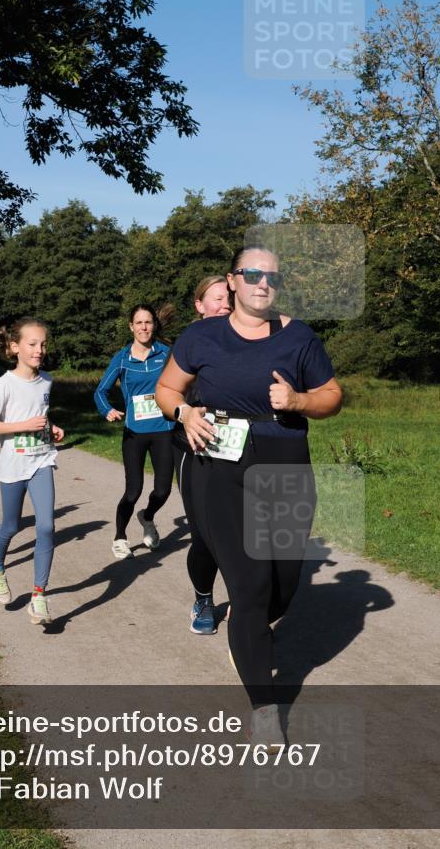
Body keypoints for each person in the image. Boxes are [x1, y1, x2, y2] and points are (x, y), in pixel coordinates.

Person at [156, 246, 342, 744]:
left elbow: (332, 396)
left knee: (282, 586)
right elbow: (167, 390)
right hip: (218, 466)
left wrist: (299, 399)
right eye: (253, 274)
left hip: (284, 465)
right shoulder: (201, 337)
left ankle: (247, 627)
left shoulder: (299, 337)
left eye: (272, 277)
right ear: (233, 280)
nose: (263, 283)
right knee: (251, 586)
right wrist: (185, 414)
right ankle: (264, 708)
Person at [0, 319, 64, 623]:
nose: (39, 350)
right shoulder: (5, 384)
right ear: (15, 347)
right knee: (11, 526)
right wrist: (23, 426)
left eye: (43, 344)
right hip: (14, 466)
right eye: (32, 344)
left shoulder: (46, 381)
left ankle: (39, 596)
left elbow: (40, 415)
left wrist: (52, 427)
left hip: (41, 461)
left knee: (46, 527)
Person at [173, 276, 230, 635]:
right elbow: (167, 391)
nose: (225, 304)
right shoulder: (191, 342)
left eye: (229, 298)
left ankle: (246, 600)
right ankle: (203, 600)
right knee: (205, 535)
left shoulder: (251, 339)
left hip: (238, 450)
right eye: (217, 298)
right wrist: (186, 411)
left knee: (243, 532)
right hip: (194, 448)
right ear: (199, 305)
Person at [94, 304, 174, 560]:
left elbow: (183, 383)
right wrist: (107, 410)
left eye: (148, 322)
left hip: (164, 430)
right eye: (138, 323)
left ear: (154, 325)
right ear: (131, 327)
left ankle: (147, 517)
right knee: (133, 491)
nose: (143, 327)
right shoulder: (122, 358)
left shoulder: (166, 354)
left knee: (163, 490)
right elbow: (100, 391)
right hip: (135, 433)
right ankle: (120, 537)